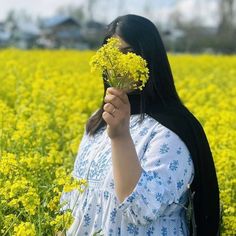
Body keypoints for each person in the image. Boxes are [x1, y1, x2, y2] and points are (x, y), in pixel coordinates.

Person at [59, 14, 220, 236]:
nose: (118, 64)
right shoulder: (98, 121)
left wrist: (120, 136)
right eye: (111, 55)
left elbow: (140, 209)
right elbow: (75, 198)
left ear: (150, 58)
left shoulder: (173, 131)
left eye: (128, 54)